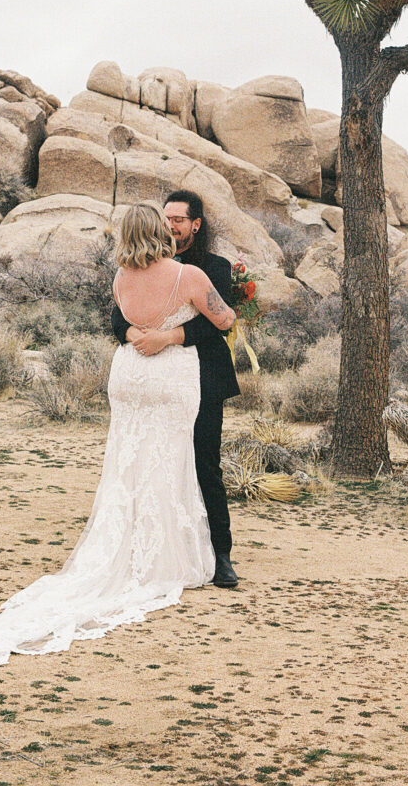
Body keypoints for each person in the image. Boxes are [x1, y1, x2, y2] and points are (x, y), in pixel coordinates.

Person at [0, 201, 235, 680]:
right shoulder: (188, 276)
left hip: (129, 375)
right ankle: (168, 557)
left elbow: (118, 322)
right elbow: (224, 321)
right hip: (168, 379)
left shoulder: (122, 279)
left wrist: (148, 332)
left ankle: (131, 547)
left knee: (129, 462)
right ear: (158, 232)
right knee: (172, 461)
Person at [111, 190, 240, 589]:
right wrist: (135, 333)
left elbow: (216, 325)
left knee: (204, 465)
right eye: (165, 219)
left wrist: (167, 337)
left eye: (178, 220)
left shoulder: (213, 268)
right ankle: (161, 547)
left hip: (202, 377)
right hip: (156, 378)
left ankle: (220, 554)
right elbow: (117, 317)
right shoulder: (135, 269)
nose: (171, 225)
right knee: (157, 465)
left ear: (194, 225)